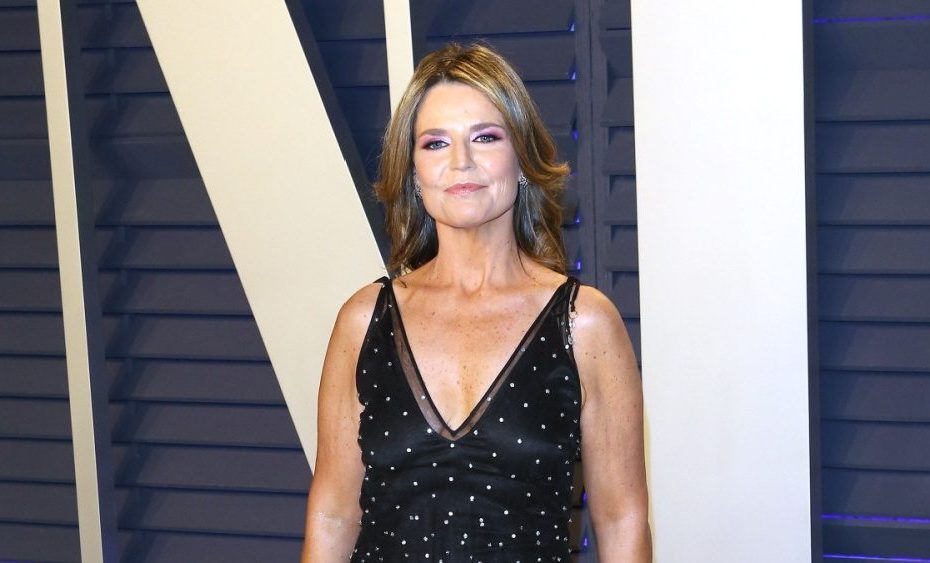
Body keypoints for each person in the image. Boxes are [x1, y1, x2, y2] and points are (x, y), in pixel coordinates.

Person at [301, 42, 650, 562]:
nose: (460, 162)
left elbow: (622, 520)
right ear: (413, 172)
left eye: (485, 137)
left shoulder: (585, 324)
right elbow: (333, 513)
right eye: (436, 143)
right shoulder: (363, 319)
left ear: (522, 158)